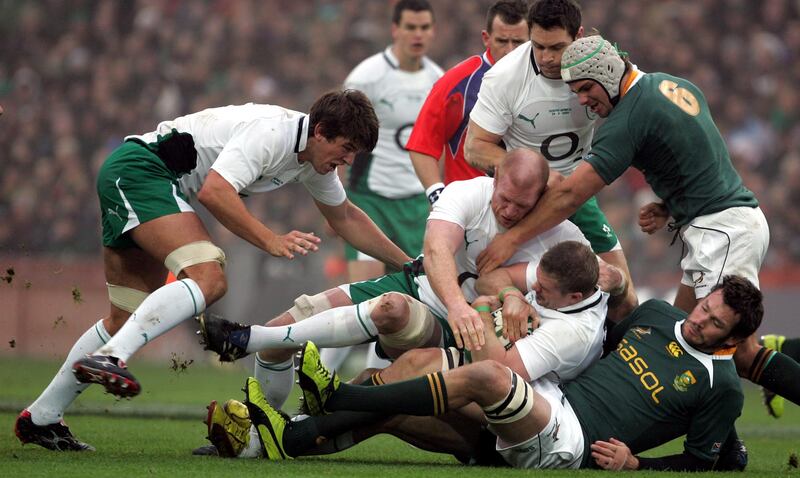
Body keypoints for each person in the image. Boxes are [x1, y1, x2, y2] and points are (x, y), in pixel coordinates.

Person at [13, 90, 412, 452]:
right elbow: (215, 192)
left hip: (142, 179)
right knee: (210, 276)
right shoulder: (272, 133)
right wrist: (269, 239)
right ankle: (112, 357)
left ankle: (42, 417)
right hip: (141, 172)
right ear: (321, 131)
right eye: (345, 149)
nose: (347, 161)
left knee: (124, 318)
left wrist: (408, 263)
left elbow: (345, 217)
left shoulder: (314, 162)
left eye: (355, 153)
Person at [477, 34, 800, 410]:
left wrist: (510, 239)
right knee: (674, 331)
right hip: (720, 224)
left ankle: (726, 450)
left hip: (724, 233)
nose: (582, 100)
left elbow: (570, 195)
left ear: (606, 75)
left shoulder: (628, 118)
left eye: (584, 88)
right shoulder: (670, 83)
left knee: (738, 354)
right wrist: (671, 204)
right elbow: (700, 150)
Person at [208, 275, 763, 472]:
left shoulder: (722, 388)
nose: (699, 319)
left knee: (488, 378)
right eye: (703, 306)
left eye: (713, 323)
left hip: (569, 442)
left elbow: (700, 461)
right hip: (551, 396)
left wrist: (637, 463)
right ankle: (289, 442)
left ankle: (327, 403)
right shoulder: (659, 316)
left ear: (732, 340)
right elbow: (605, 347)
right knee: (417, 368)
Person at [198, 150, 607, 410]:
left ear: (540, 198)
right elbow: (436, 251)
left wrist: (509, 300)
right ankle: (256, 430)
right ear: (495, 178)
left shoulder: (562, 236)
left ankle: (252, 342)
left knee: (390, 311)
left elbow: (599, 278)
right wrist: (460, 302)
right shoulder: (466, 193)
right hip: (429, 295)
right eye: (504, 199)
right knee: (281, 332)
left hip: (464, 336)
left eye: (522, 205)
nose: (510, 211)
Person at [463, 0, 638, 322]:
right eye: (538, 45)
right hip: (522, 201)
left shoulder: (601, 65)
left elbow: (634, 119)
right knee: (497, 293)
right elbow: (475, 148)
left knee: (625, 300)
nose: (546, 57)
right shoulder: (505, 77)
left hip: (576, 195)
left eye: (557, 47)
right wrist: (539, 176)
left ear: (579, 36)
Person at [343, 0, 442, 282]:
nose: (418, 34)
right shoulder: (367, 77)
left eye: (424, 27)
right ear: (395, 30)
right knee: (366, 295)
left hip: (417, 204)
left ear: (433, 31)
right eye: (411, 27)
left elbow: (438, 144)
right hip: (371, 200)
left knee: (419, 292)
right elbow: (341, 140)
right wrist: (335, 201)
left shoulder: (438, 79)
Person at [407, 0, 529, 203]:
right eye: (502, 41)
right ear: (486, 38)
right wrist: (438, 196)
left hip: (528, 205)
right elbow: (422, 145)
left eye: (518, 42)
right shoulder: (457, 82)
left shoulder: (546, 80)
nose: (510, 51)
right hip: (471, 207)